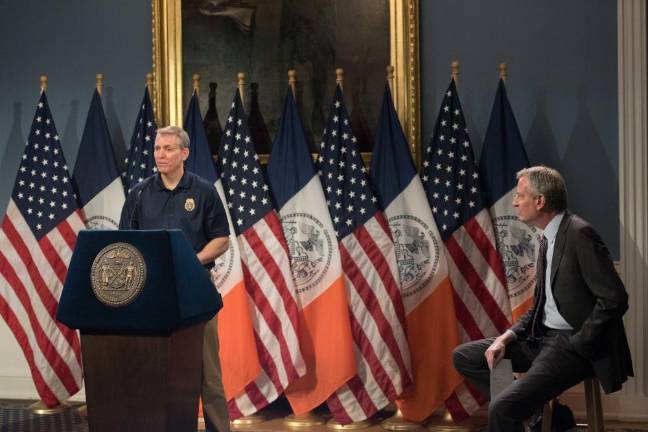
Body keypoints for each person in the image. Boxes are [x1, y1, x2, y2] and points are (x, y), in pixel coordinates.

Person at [452, 166, 633, 432]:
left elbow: (615, 298)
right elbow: (540, 307)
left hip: (572, 344)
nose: (514, 202)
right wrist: (507, 337)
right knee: (466, 357)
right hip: (542, 337)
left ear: (540, 200)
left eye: (520, 196)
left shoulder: (579, 234)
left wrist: (579, 343)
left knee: (501, 408)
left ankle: (523, 410)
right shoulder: (547, 237)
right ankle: (539, 412)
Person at [119, 126, 231, 432]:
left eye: (168, 149)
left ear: (184, 153)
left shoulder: (204, 191)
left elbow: (222, 240)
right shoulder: (139, 193)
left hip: (195, 289)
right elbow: (124, 245)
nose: (160, 154)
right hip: (151, 292)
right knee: (153, 367)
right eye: (157, 148)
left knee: (208, 372)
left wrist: (189, 261)